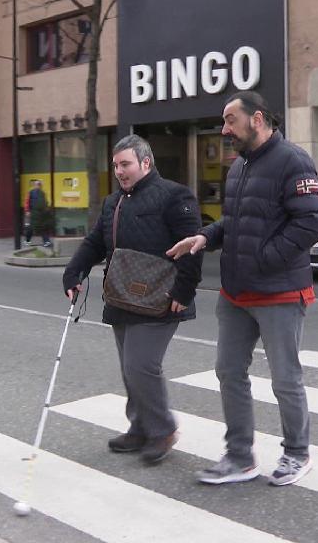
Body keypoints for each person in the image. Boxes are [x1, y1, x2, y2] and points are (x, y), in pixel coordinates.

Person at [167, 91, 318, 487]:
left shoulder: (293, 160)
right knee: (228, 372)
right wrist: (205, 237)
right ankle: (240, 456)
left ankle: (297, 453)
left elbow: (310, 224)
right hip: (236, 292)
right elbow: (235, 221)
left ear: (256, 119)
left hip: (279, 292)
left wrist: (263, 259)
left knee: (285, 379)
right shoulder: (238, 167)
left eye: (229, 120)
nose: (224, 130)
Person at [63, 134, 203, 465]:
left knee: (141, 365)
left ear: (146, 162)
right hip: (121, 296)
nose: (119, 171)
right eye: (115, 166)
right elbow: (95, 242)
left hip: (161, 298)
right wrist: (74, 273)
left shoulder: (174, 195)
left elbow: (193, 247)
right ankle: (140, 427)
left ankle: (163, 429)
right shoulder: (114, 202)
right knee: (130, 369)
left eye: (125, 164)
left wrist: (184, 292)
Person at [24, 179, 53, 247]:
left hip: (41, 214)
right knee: (31, 227)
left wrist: (46, 211)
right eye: (37, 184)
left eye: (39, 184)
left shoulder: (42, 193)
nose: (38, 186)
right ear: (34, 185)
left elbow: (45, 203)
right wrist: (27, 211)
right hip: (33, 213)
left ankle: (46, 241)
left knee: (43, 227)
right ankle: (27, 241)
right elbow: (27, 202)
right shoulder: (31, 192)